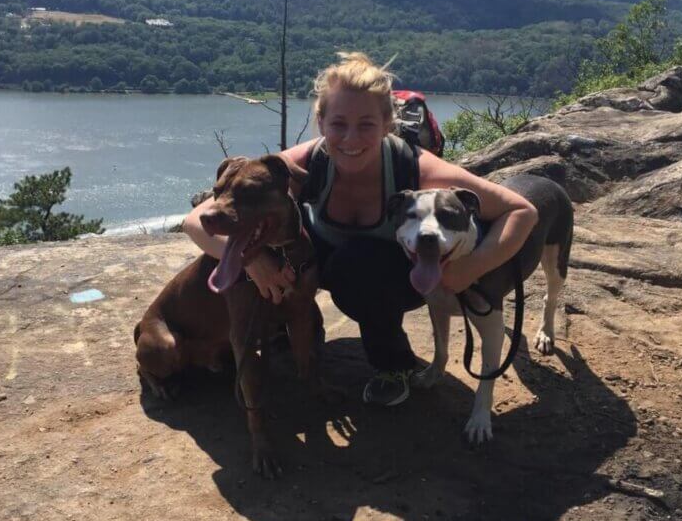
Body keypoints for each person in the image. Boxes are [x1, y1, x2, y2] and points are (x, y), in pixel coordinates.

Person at [184, 52, 538, 406]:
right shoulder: (307, 163)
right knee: (265, 233)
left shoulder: (413, 167)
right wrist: (254, 260)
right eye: (339, 124)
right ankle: (280, 330)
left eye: (366, 124)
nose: (351, 139)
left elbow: (521, 210)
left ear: (387, 123)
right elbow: (195, 222)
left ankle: (392, 365)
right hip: (329, 265)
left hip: (401, 279)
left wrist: (470, 268)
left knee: (358, 261)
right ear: (321, 123)